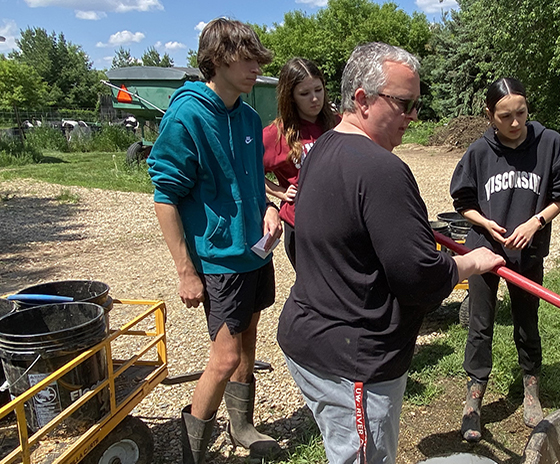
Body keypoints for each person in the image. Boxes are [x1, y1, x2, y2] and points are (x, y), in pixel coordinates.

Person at [277, 42, 505, 464]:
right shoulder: (381, 169)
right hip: (353, 360)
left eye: (416, 103)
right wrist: (473, 262)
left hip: (311, 339)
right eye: (405, 103)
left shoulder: (321, 148)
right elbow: (419, 278)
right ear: (362, 99)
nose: (415, 115)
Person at [146, 18, 282, 464]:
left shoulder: (247, 114)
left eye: (257, 60)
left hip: (254, 255)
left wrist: (267, 207)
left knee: (248, 344)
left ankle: (242, 426)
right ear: (218, 60)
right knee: (223, 359)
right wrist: (186, 271)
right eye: (247, 59)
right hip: (218, 260)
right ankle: (192, 455)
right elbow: (165, 195)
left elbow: (253, 180)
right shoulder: (186, 115)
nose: (255, 69)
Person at [449, 77, 560, 442]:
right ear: (490, 115)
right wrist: (485, 223)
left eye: (521, 112)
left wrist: (535, 222)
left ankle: (531, 389)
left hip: (528, 251)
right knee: (480, 324)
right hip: (484, 250)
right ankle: (473, 400)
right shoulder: (478, 152)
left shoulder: (549, 144)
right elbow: (464, 202)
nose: (516, 122)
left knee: (526, 321)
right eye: (505, 115)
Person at [263, 57, 339, 267]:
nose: (314, 98)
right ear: (291, 97)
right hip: (301, 226)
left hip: (339, 222)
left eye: (318, 90)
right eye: (305, 93)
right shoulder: (276, 135)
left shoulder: (338, 124)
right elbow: (245, 171)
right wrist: (278, 192)